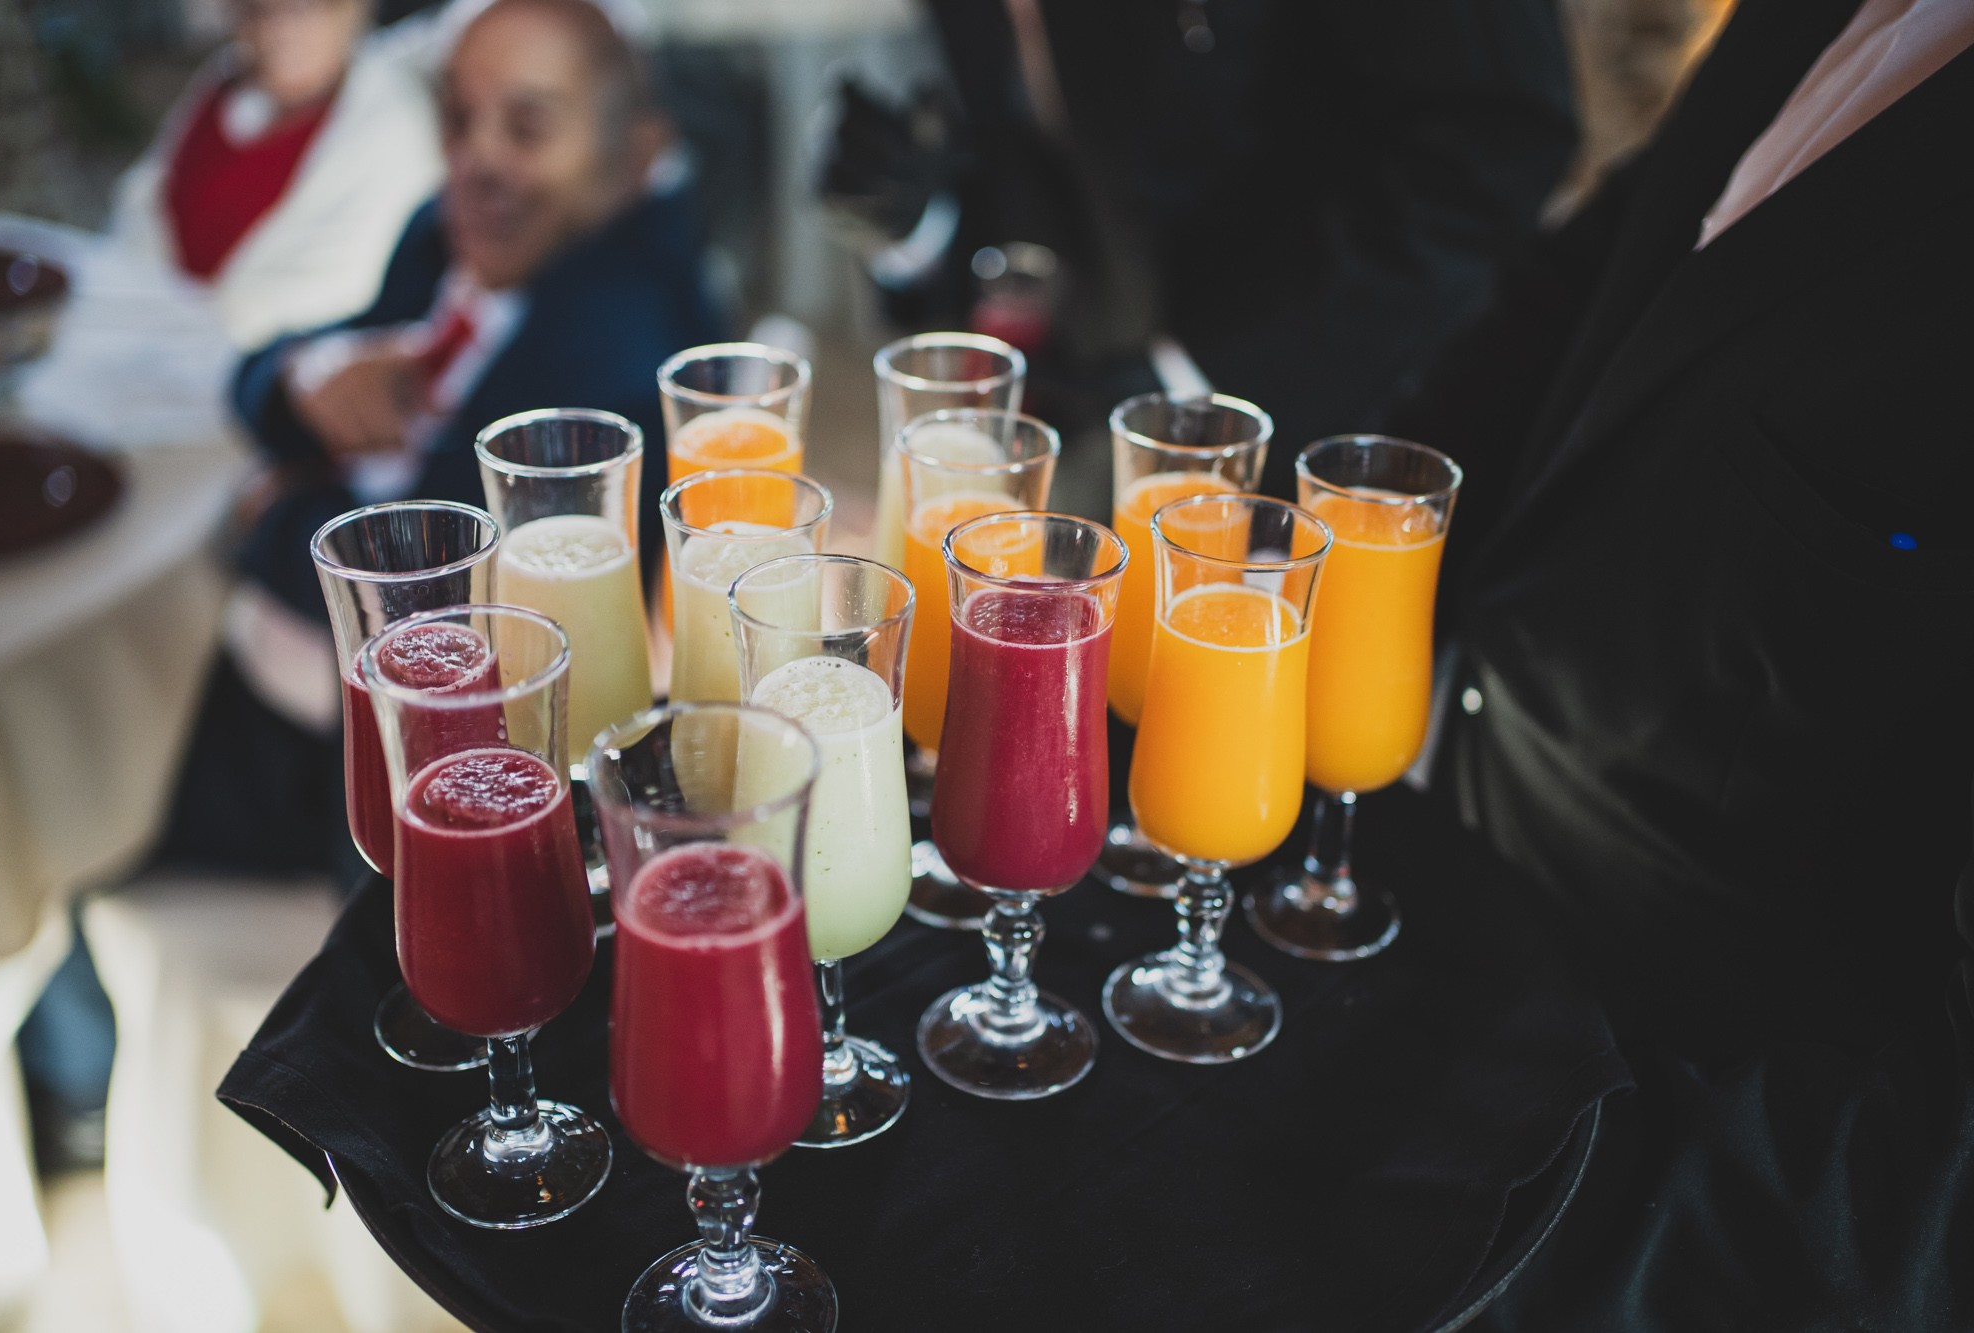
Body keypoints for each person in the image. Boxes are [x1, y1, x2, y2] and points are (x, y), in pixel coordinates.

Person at [1385, 0, 1974, 1324]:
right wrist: (1301, 563)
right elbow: (1595, 281)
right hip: (1446, 901)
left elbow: (1935, 1185)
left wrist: (1457, 1238)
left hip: (1644, 1160)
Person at [154, 0, 725, 877]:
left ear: (633, 155)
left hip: (403, 773)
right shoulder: (446, 237)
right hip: (282, 709)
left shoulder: (616, 344)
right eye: (458, 119)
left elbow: (433, 608)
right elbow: (271, 368)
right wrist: (298, 385)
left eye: (527, 127)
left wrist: (267, 512)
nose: (477, 159)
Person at [824, 0, 1577, 494]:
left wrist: (1202, 379)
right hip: (1097, 443)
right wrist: (920, 228)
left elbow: (1498, 138)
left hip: (1347, 465)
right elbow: (1040, 158)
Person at [107, 0, 442, 351]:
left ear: (352, 12)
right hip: (141, 342)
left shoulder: (393, 133)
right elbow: (144, 200)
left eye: (304, 9)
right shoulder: (224, 81)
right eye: (258, 10)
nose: (278, 28)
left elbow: (336, 294)